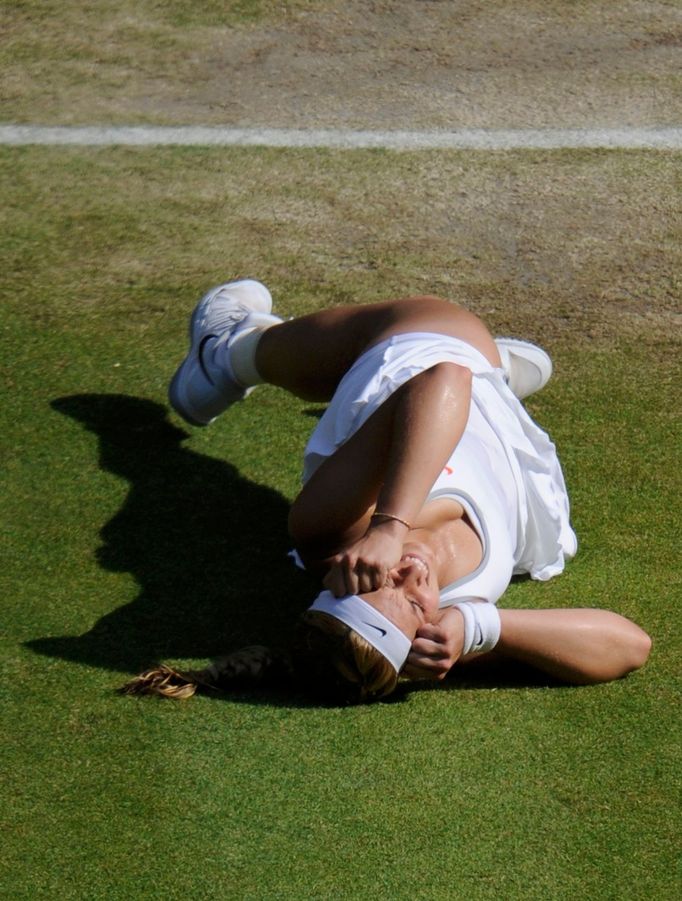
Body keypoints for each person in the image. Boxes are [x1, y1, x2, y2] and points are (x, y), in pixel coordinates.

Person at [123, 279, 651, 704]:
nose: (411, 578)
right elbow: (630, 645)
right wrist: (481, 627)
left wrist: (386, 526)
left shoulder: (327, 530)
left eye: (381, 580)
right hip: (490, 427)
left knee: (439, 330)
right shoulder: (444, 628)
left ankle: (227, 353)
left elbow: (443, 377)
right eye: (416, 603)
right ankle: (496, 394)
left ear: (337, 577)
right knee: (470, 350)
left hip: (408, 369)